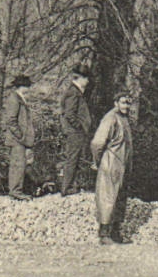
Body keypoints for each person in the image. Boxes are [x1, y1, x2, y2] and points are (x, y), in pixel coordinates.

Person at [90, 90, 135, 245]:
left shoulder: (124, 119)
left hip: (123, 164)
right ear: (116, 103)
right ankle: (104, 234)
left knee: (120, 197)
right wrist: (99, 161)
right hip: (111, 162)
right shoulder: (110, 119)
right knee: (108, 197)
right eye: (123, 102)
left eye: (128, 102)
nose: (126, 105)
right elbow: (97, 143)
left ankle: (116, 232)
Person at [57, 65, 94, 195]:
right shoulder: (73, 92)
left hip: (75, 131)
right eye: (86, 78)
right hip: (74, 132)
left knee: (74, 158)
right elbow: (69, 114)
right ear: (80, 78)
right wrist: (79, 127)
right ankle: (66, 188)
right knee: (72, 159)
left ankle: (70, 186)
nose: (88, 81)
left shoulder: (75, 92)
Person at [1, 74, 38, 199]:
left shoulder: (19, 98)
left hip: (19, 139)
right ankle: (15, 191)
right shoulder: (14, 99)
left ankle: (17, 190)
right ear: (20, 86)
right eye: (26, 86)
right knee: (17, 165)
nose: (28, 88)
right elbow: (11, 121)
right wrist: (21, 137)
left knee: (20, 164)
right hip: (17, 140)